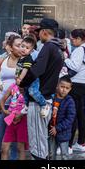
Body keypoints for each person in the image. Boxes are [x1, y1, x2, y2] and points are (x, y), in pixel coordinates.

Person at [20, 19, 64, 160]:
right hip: (47, 98)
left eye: (39, 32)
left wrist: (22, 82)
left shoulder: (48, 47)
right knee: (41, 142)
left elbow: (37, 70)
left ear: (44, 32)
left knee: (37, 143)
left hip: (40, 100)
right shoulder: (58, 48)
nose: (38, 35)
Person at [0, 34, 22, 160]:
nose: (21, 48)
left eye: (23, 45)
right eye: (18, 45)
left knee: (15, 139)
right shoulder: (1, 62)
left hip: (17, 106)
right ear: (10, 47)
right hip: (0, 103)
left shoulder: (26, 63)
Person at [64, 29, 85, 153]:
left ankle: (69, 146)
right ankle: (81, 143)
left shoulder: (80, 50)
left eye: (73, 39)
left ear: (79, 39)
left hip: (75, 84)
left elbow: (75, 66)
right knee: (80, 115)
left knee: (73, 115)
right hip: (81, 84)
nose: (71, 41)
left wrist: (65, 59)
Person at [16, 35, 50, 117]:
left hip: (32, 80)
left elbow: (25, 69)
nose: (24, 49)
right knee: (25, 93)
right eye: (22, 46)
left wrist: (20, 78)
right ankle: (27, 106)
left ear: (31, 51)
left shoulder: (28, 58)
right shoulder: (20, 58)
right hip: (25, 80)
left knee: (32, 91)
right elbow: (18, 69)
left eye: (27, 48)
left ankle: (44, 104)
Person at [48, 76, 76, 160]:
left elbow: (70, 119)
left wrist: (57, 128)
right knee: (51, 154)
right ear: (57, 86)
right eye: (62, 87)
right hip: (51, 132)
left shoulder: (70, 101)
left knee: (64, 155)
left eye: (67, 88)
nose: (64, 90)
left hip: (64, 133)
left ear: (70, 89)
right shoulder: (51, 98)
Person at [0, 83, 28, 160]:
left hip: (23, 119)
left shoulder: (28, 86)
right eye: (16, 76)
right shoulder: (13, 86)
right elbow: (3, 99)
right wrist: (4, 111)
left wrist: (21, 114)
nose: (17, 79)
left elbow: (29, 104)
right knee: (4, 148)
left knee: (20, 148)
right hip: (11, 118)